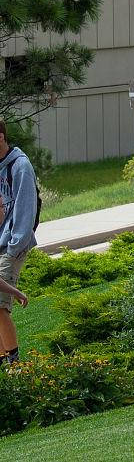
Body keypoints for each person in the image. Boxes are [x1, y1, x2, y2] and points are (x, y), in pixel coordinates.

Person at [0, 121, 39, 366]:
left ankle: (15, 362)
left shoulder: (20, 166)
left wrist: (15, 245)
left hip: (11, 245)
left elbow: (26, 208)